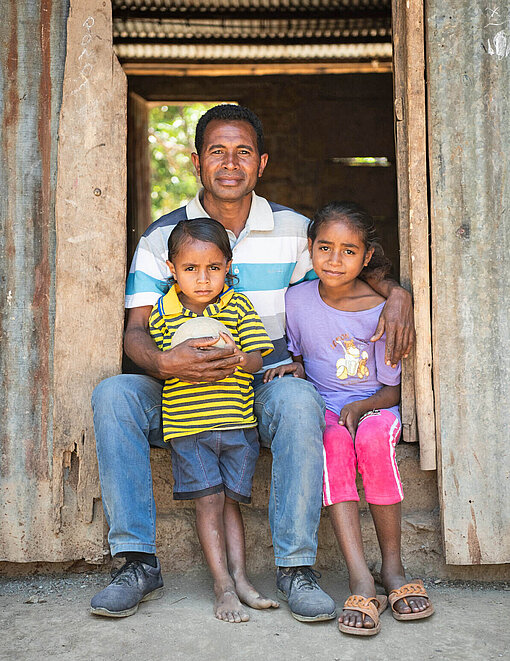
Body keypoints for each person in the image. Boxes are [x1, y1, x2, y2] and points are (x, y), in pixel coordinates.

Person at [90, 104, 415, 620]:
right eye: (217, 151)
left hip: (260, 383)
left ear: (261, 163)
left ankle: (295, 567)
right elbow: (134, 332)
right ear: (197, 162)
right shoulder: (163, 238)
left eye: (243, 152)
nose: (230, 163)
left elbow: (345, 264)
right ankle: (136, 561)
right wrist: (167, 362)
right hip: (179, 391)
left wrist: (396, 293)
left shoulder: (294, 230)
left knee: (299, 398)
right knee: (113, 394)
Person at [265, 201, 433, 636]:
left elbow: (394, 387)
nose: (335, 260)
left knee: (373, 440)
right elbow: (302, 356)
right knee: (334, 444)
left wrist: (361, 408)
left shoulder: (382, 307)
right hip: (325, 410)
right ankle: (360, 576)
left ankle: (392, 569)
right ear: (310, 248)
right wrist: (297, 369)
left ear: (367, 256)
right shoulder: (297, 300)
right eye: (325, 248)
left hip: (378, 406)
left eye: (348, 251)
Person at [148, 216, 278, 622]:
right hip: (190, 430)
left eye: (213, 268)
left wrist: (240, 357)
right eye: (190, 269)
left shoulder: (238, 305)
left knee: (231, 504)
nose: (203, 280)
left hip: (237, 425)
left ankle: (241, 579)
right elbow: (161, 363)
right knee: (209, 502)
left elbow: (259, 356)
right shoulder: (162, 314)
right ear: (172, 269)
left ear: (228, 265)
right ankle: (222, 585)